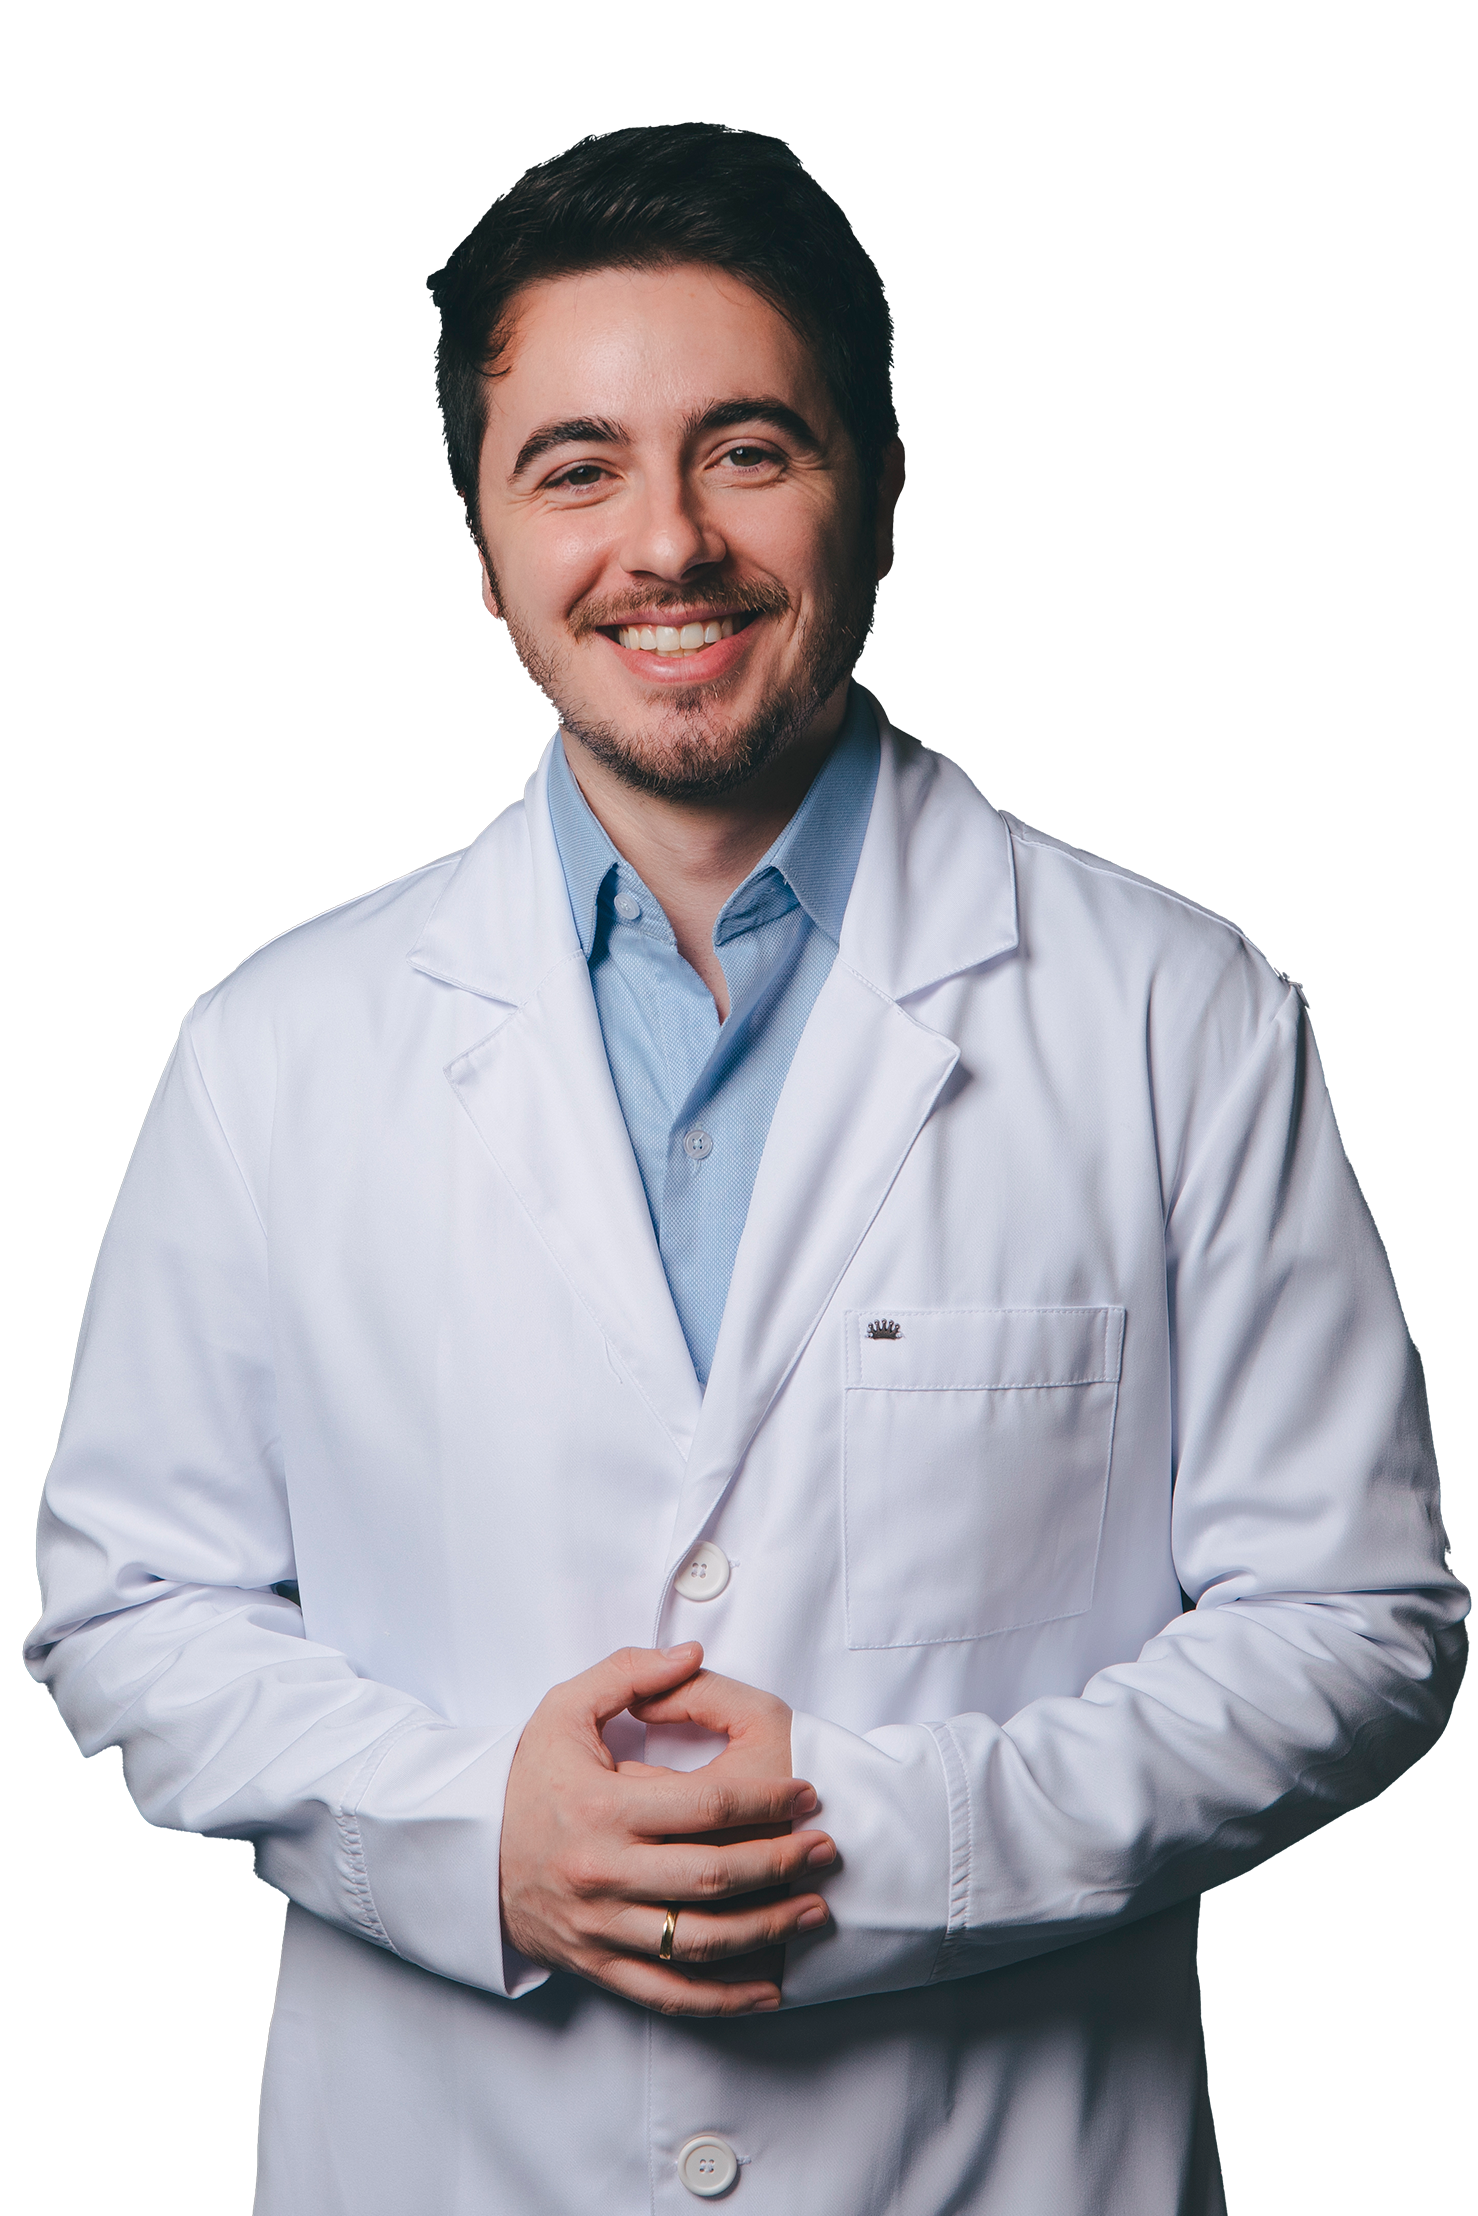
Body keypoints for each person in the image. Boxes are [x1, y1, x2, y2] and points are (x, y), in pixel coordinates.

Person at [26, 124, 1466, 2215]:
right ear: (483, 546)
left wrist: (887, 1842)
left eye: (748, 450)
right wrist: (475, 1839)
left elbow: (1352, 1621)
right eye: (575, 467)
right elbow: (132, 1609)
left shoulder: (1177, 1017)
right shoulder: (274, 1052)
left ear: (876, 488)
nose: (667, 544)